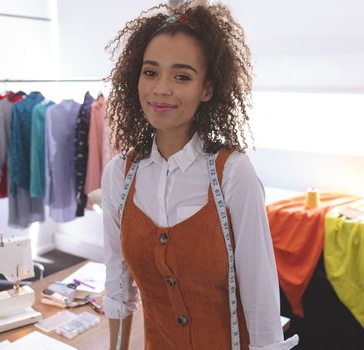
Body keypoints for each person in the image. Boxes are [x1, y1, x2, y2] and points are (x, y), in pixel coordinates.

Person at [101, 1, 299, 349]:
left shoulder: (232, 176)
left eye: (181, 76)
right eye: (150, 72)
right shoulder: (120, 175)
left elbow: (261, 303)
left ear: (207, 89)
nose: (161, 89)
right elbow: (119, 288)